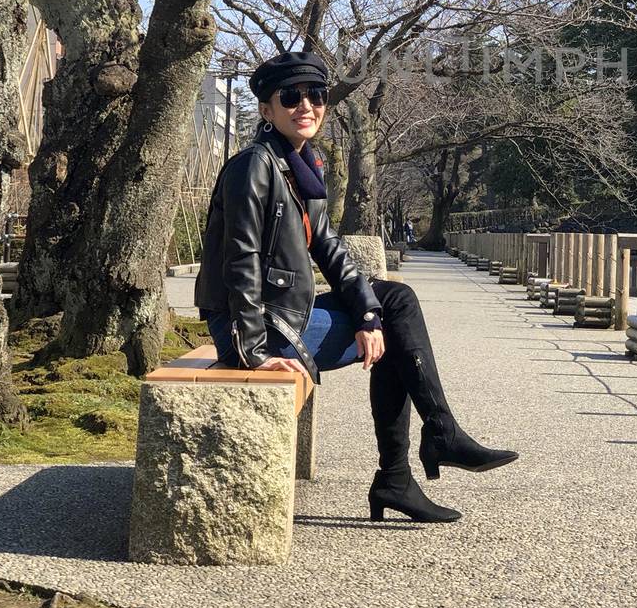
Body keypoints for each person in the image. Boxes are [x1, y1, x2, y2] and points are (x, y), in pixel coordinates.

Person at [195, 49, 517, 523]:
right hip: (254, 327)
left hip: (282, 315)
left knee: (391, 308)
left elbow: (329, 247)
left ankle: (409, 465)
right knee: (397, 324)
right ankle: (411, 464)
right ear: (267, 110)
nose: (306, 106)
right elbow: (238, 260)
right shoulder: (254, 166)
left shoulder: (301, 166)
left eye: (316, 96)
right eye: (291, 97)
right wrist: (253, 351)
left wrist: (366, 313)